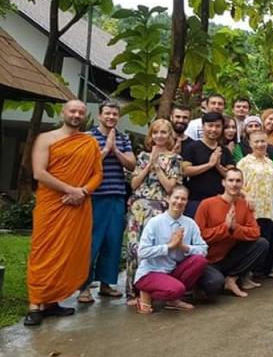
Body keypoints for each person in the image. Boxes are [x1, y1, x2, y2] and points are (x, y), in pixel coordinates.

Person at [23, 100, 104, 327]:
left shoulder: (89, 142)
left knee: (69, 252)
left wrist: (84, 192)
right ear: (64, 113)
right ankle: (35, 304)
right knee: (43, 251)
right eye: (73, 111)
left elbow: (98, 174)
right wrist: (71, 190)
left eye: (81, 112)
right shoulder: (46, 138)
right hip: (52, 204)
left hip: (79, 205)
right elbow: (39, 173)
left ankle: (52, 302)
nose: (77, 115)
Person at [78, 101, 135, 304]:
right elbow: (84, 164)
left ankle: (106, 284)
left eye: (115, 114)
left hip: (117, 194)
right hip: (94, 196)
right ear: (100, 115)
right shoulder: (88, 137)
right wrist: (105, 149)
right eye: (108, 113)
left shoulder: (123, 138)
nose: (111, 117)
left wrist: (115, 150)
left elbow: (132, 163)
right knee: (92, 242)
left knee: (113, 242)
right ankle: (84, 287)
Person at [122, 119, 184, 304]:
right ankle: (133, 292)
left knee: (157, 249)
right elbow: (134, 184)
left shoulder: (175, 159)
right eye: (156, 132)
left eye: (164, 132)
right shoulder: (142, 156)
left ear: (169, 135)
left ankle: (152, 290)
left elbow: (170, 187)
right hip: (139, 206)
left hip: (159, 207)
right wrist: (149, 164)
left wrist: (157, 166)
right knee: (135, 249)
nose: (159, 136)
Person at [194, 169, 269, 298]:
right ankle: (205, 283)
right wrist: (225, 228)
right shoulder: (207, 204)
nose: (234, 184)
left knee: (262, 243)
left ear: (242, 184)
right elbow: (199, 236)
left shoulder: (244, 205)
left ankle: (232, 278)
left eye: (238, 181)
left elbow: (255, 233)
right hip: (208, 260)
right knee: (214, 285)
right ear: (223, 183)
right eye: (231, 180)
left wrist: (235, 228)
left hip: (230, 258)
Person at [133, 186, 210, 314]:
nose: (179, 202)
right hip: (151, 272)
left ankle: (172, 300)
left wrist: (183, 247)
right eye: (176, 198)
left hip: (172, 271)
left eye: (183, 199)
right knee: (177, 289)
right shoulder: (155, 222)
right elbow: (142, 252)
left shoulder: (190, 223)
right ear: (168, 199)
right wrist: (169, 246)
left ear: (187, 202)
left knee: (200, 260)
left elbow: (203, 250)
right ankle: (146, 293)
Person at [237, 131, 273, 279]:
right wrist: (246, 195)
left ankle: (261, 271)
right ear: (250, 143)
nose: (260, 144)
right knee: (254, 241)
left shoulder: (269, 162)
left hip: (268, 209)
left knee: (270, 238)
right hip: (251, 208)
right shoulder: (244, 162)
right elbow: (236, 184)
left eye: (263, 141)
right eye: (257, 142)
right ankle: (246, 274)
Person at [182, 112, 235, 217]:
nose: (214, 129)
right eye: (210, 125)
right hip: (196, 201)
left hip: (219, 200)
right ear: (203, 127)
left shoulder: (224, 150)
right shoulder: (192, 147)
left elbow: (232, 175)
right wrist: (209, 164)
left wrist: (218, 166)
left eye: (218, 126)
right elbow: (185, 171)